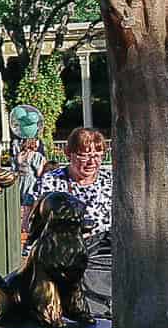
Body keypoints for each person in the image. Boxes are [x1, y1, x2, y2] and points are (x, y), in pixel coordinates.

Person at [32, 127, 112, 316]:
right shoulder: (51, 182)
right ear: (69, 154)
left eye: (98, 154)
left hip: (102, 252)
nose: (93, 161)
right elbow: (35, 223)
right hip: (61, 253)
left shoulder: (111, 182)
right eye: (84, 155)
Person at [15, 136, 49, 207]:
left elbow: (15, 169)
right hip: (31, 184)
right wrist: (43, 163)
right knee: (28, 207)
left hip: (19, 183)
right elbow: (39, 173)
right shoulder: (36, 155)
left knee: (18, 206)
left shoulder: (19, 155)